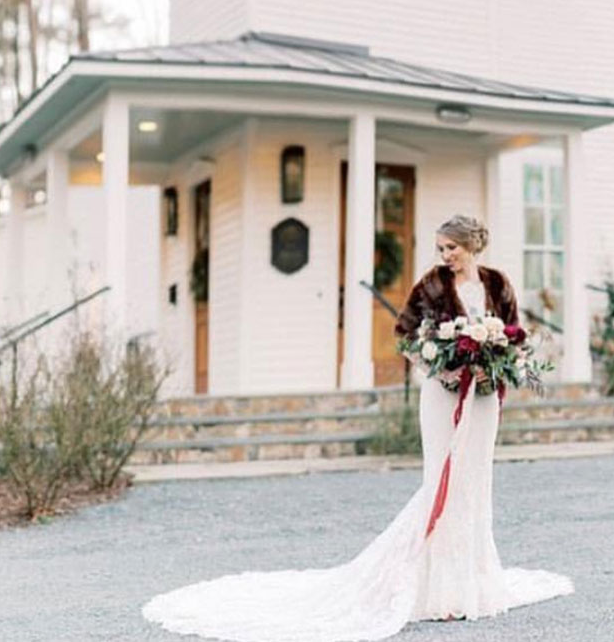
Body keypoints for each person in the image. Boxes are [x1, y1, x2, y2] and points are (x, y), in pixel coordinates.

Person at [142, 213, 573, 641]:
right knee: (442, 479)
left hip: (482, 400)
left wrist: (493, 368)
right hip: (443, 397)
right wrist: (439, 371)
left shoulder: (497, 284)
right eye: (441, 249)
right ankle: (436, 587)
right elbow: (406, 335)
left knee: (475, 482)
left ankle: (473, 584)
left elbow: (516, 334)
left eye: (452, 248)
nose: (446, 256)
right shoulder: (433, 284)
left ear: (472, 245)